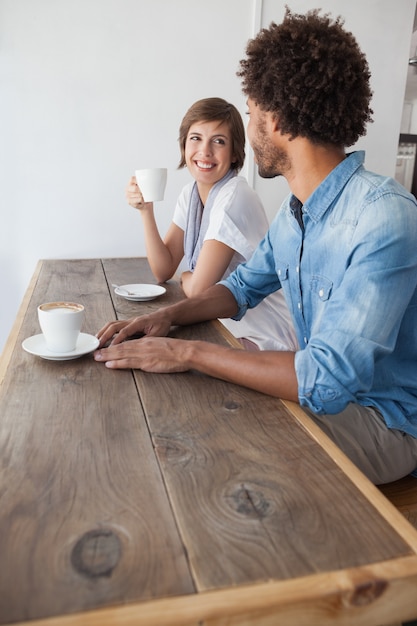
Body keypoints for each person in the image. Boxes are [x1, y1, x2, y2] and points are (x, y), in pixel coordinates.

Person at [95, 8, 417, 485]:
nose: (249, 126)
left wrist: (187, 354)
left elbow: (325, 381)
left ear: (278, 119)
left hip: (383, 424)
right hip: (330, 402)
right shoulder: (297, 213)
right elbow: (240, 287)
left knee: (215, 453)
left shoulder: (383, 215)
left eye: (250, 114)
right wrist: (165, 318)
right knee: (189, 416)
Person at [125, 97, 297, 351]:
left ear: (235, 151)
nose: (205, 151)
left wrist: (185, 277)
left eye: (218, 141)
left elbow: (199, 290)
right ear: (184, 144)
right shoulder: (191, 194)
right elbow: (163, 270)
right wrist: (146, 211)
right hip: (224, 325)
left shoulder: (234, 197)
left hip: (264, 335)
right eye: (195, 138)